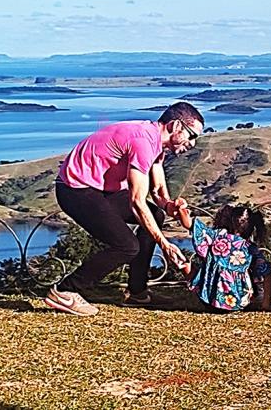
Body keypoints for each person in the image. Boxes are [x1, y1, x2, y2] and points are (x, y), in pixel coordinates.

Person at [44, 102, 204, 316]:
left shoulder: (155, 143)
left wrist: (170, 207)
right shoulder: (143, 142)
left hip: (100, 189)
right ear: (175, 126)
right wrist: (165, 245)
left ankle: (137, 292)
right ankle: (66, 290)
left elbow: (157, 192)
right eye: (191, 135)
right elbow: (137, 201)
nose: (192, 143)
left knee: (155, 215)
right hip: (75, 190)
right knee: (127, 246)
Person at [177, 204, 271, 311]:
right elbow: (267, 274)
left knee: (185, 264)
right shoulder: (251, 248)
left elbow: (191, 225)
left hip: (211, 300)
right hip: (240, 303)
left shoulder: (217, 236)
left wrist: (180, 208)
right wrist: (265, 305)